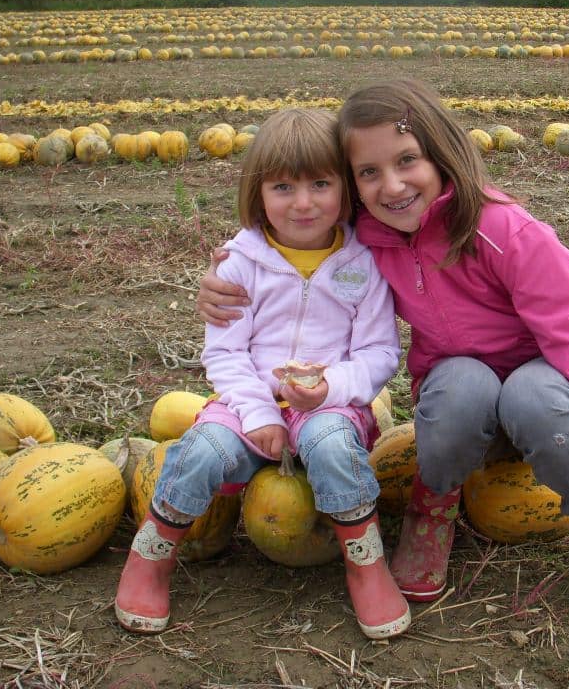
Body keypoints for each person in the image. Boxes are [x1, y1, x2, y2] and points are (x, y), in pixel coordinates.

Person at [196, 79, 569, 634]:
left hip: (543, 395)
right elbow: (289, 237)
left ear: (441, 152)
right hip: (458, 404)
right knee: (459, 385)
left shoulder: (509, 233)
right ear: (353, 185)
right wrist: (222, 281)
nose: (393, 185)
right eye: (369, 172)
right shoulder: (370, 235)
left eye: (408, 160)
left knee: (533, 396)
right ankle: (433, 507)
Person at [115, 107, 410, 640]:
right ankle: (151, 554)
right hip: (248, 401)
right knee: (202, 450)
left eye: (320, 184)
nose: (303, 203)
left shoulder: (365, 263)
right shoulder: (240, 263)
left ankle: (366, 565)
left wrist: (331, 389)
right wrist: (256, 413)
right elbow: (225, 354)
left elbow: (378, 352)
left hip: (329, 405)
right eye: (283, 187)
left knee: (333, 446)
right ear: (258, 193)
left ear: (345, 189)